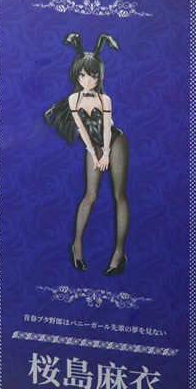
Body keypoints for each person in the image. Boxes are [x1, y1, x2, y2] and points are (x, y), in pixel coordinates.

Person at [43, 32, 130, 275]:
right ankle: (77, 245)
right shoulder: (74, 99)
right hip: (93, 145)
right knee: (90, 195)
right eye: (83, 75)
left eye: (93, 76)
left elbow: (106, 129)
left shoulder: (105, 99)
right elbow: (81, 129)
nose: (88, 80)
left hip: (114, 141)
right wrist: (93, 153)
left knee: (119, 194)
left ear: (99, 76)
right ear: (77, 74)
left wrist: (106, 153)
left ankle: (119, 254)